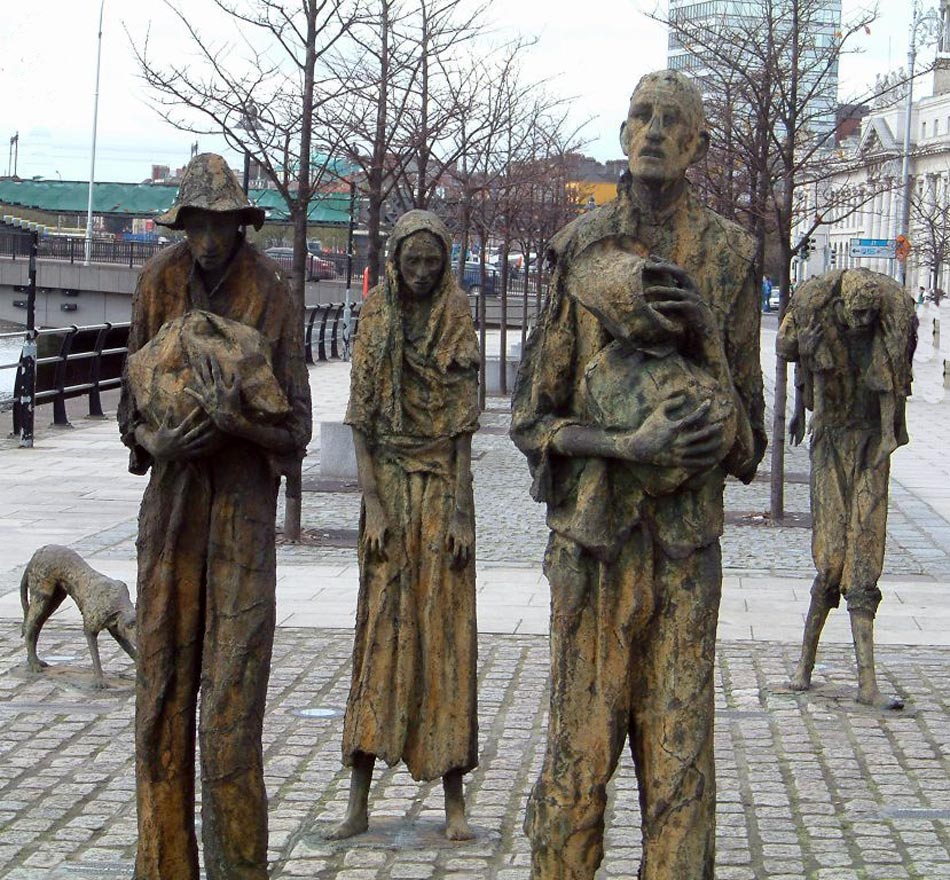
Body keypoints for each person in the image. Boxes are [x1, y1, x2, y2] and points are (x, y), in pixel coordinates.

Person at [511, 70, 765, 880]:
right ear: (624, 136)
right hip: (592, 553)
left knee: (680, 776)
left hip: (687, 557)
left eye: (672, 120)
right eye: (640, 117)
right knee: (576, 771)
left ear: (697, 144)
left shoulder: (730, 255)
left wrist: (706, 340)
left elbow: (750, 445)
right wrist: (631, 446)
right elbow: (532, 421)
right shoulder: (582, 250)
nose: (653, 131)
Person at [117, 153, 312, 880]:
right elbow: (129, 406)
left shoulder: (272, 289)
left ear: (239, 223)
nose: (206, 241)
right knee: (160, 698)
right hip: (170, 514)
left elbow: (294, 433)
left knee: (231, 712)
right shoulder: (157, 281)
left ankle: (239, 869)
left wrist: (240, 422)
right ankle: (162, 865)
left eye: (219, 226)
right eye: (195, 226)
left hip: (240, 519)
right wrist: (155, 440)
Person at [332, 210, 480, 841]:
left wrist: (463, 514)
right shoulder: (376, 316)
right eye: (411, 262)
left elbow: (463, 432)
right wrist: (375, 506)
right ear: (394, 260)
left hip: (442, 488)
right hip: (389, 489)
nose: (422, 274)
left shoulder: (456, 316)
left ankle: (454, 800)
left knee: (446, 640)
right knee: (381, 637)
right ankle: (358, 798)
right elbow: (361, 421)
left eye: (433, 263)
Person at [779, 267, 916, 710]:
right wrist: (802, 402)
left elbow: (892, 394)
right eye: (855, 314)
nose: (860, 323)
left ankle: (866, 681)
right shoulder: (816, 314)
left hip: (870, 446)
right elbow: (785, 348)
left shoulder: (885, 334)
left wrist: (889, 440)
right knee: (830, 559)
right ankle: (804, 664)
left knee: (864, 557)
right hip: (831, 443)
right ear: (840, 306)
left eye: (868, 316)